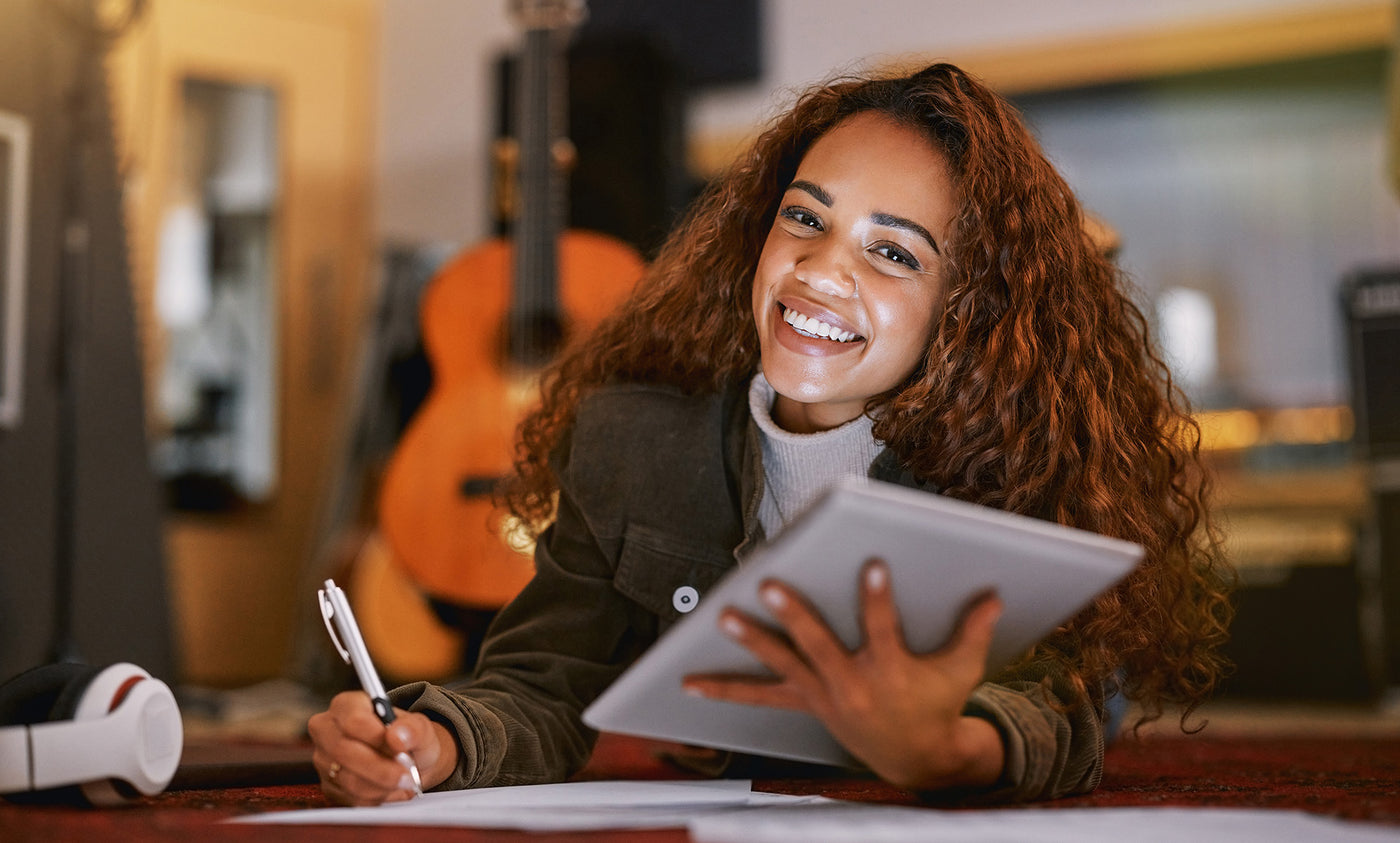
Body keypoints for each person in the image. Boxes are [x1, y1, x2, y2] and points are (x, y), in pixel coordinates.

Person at [308, 61, 1233, 805]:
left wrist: (949, 747)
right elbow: (542, 683)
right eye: (805, 217)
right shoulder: (627, 443)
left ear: (966, 309)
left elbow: (1061, 703)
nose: (822, 271)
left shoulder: (1012, 461)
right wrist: (435, 738)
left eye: (894, 251)